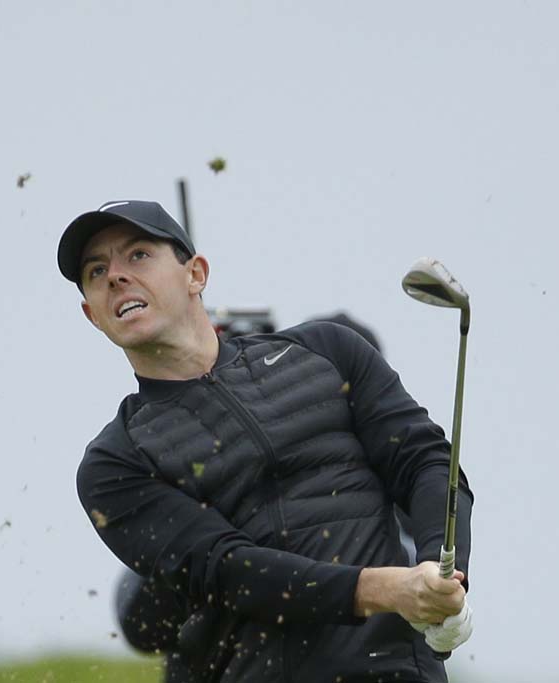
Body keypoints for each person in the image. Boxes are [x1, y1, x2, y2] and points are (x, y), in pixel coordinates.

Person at [57, 200, 474, 683]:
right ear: (93, 315)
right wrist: (387, 590)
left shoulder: (329, 352)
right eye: (96, 270)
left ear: (195, 274)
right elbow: (228, 571)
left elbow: (426, 461)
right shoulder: (115, 462)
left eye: (138, 255)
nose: (115, 276)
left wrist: (443, 577)